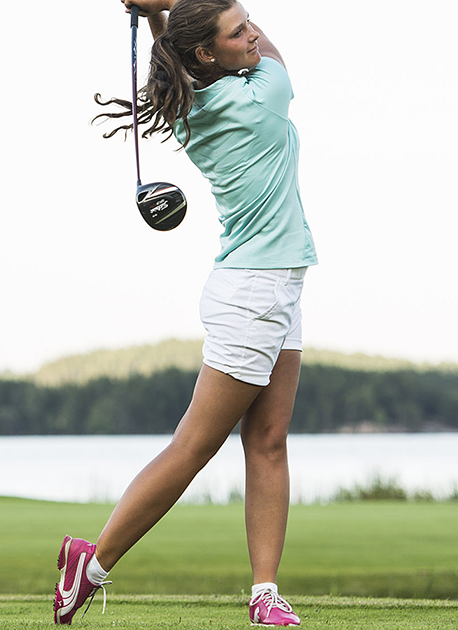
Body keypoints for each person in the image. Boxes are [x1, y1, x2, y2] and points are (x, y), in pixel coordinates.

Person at [54, 0, 318, 625]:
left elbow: (180, 58)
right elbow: (271, 59)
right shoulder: (263, 94)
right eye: (237, 31)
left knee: (269, 441)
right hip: (254, 293)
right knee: (195, 445)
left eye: (250, 21)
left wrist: (160, 13)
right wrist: (166, 7)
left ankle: (265, 594)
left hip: (275, 286)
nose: (252, 33)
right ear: (207, 54)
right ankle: (90, 565)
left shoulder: (192, 106)